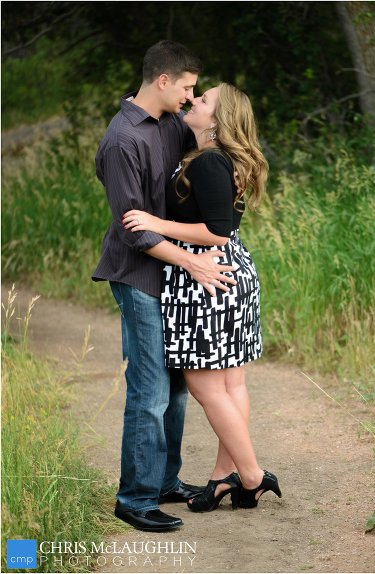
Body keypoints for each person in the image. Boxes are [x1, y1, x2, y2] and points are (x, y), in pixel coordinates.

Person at [93, 40, 237, 532]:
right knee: (150, 392)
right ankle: (133, 498)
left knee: (174, 393)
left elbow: (201, 172)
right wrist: (192, 263)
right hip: (139, 278)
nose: (190, 97)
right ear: (163, 81)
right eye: (188, 87)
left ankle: (163, 482)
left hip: (173, 279)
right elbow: (134, 228)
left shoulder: (173, 125)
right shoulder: (121, 141)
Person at [122, 82, 281, 513]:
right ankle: (223, 479)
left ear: (217, 121)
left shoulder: (210, 160)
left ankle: (250, 475)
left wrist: (155, 222)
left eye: (204, 99)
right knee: (231, 383)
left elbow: (217, 229)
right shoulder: (212, 158)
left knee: (205, 384)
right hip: (224, 272)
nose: (194, 100)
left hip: (206, 273)